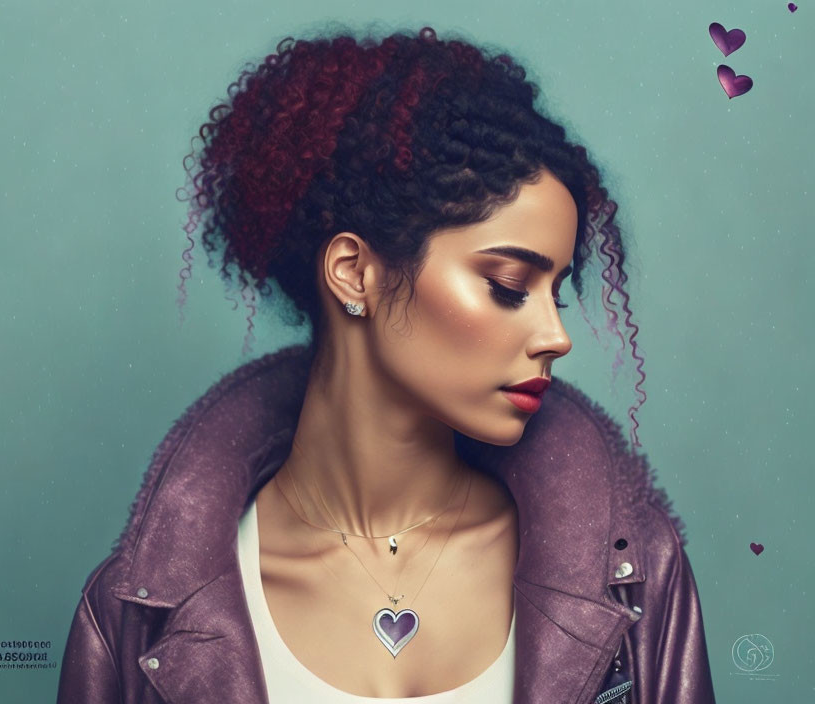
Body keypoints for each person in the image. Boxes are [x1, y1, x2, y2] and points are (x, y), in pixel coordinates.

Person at [56, 26, 717, 703]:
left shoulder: (635, 579)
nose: (555, 336)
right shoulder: (134, 613)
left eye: (558, 294)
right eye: (511, 286)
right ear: (355, 273)